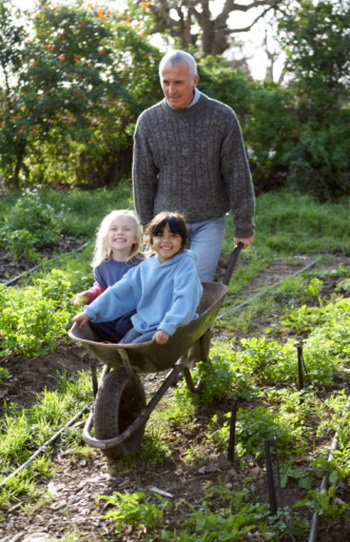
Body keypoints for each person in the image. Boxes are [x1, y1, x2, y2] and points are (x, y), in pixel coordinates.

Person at [132, 49, 255, 282]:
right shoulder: (148, 121)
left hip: (209, 219)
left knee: (196, 283)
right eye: (165, 82)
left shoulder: (221, 117)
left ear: (194, 80)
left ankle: (192, 319)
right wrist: (148, 227)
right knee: (165, 284)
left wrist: (244, 225)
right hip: (166, 224)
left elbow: (237, 174)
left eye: (178, 82)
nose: (171, 90)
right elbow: (143, 178)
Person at [72, 211, 203, 345]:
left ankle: (133, 363)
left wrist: (167, 326)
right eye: (159, 235)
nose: (166, 240)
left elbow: (184, 298)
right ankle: (123, 360)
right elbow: (120, 292)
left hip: (172, 326)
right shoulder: (146, 266)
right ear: (150, 239)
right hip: (145, 323)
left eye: (173, 236)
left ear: (182, 240)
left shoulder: (185, 264)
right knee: (122, 347)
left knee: (134, 349)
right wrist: (91, 312)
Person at [73, 209, 143, 342]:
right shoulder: (102, 265)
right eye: (114, 229)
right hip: (113, 310)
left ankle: (124, 344)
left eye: (126, 229)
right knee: (92, 319)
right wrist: (90, 294)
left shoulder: (143, 264)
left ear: (135, 238)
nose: (120, 232)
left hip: (134, 311)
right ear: (106, 237)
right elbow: (101, 288)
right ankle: (119, 344)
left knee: (123, 326)